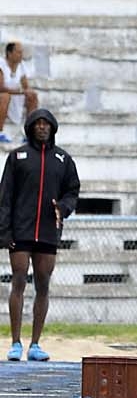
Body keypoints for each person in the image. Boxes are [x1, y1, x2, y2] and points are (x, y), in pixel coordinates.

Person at [0, 108, 79, 362]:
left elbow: (72, 192)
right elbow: (5, 197)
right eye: (38, 123)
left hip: (47, 231)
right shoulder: (17, 157)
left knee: (43, 285)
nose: (42, 127)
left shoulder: (63, 160)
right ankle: (14, 343)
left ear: (53, 128)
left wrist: (63, 208)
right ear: (31, 127)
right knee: (19, 281)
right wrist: (4, 231)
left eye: (47, 124)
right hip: (21, 230)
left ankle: (35, 344)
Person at [0, 42, 39, 143]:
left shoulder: (21, 66)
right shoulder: (1, 64)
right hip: (3, 96)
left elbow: (26, 86)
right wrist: (20, 91)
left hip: (15, 97)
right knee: (5, 97)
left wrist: (28, 92)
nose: (21, 55)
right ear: (9, 53)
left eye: (21, 52)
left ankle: (29, 133)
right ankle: (0, 132)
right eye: (18, 52)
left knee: (32, 96)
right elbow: (1, 87)